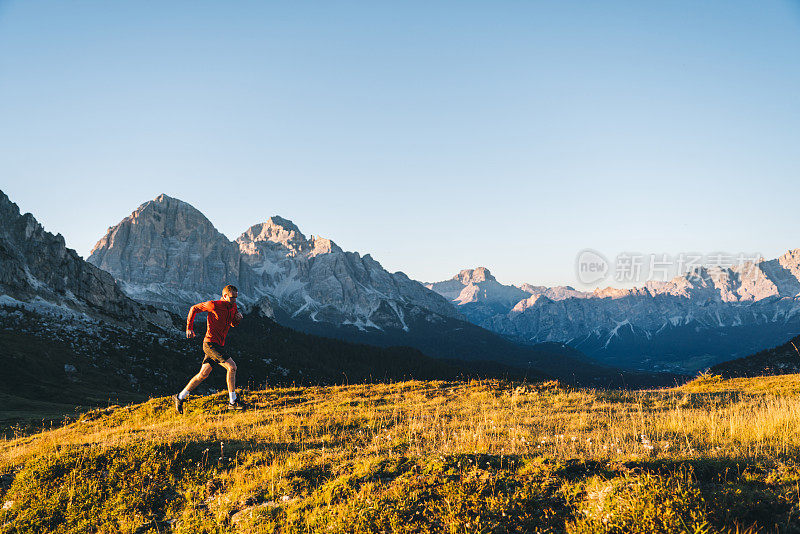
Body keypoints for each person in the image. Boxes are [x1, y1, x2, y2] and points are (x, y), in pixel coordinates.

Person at [172, 284, 247, 413]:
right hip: (210, 344)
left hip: (219, 344)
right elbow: (194, 308)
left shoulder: (233, 306)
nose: (235, 300)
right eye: (232, 297)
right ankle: (232, 402)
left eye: (236, 297)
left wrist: (238, 320)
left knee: (203, 374)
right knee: (232, 367)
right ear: (224, 296)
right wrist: (189, 327)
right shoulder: (214, 305)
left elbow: (232, 324)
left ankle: (180, 396)